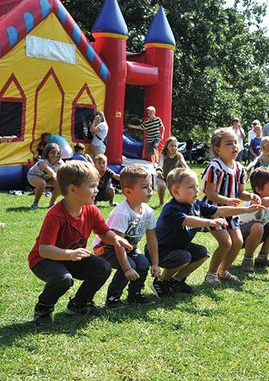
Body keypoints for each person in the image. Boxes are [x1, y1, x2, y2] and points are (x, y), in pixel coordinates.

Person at [29, 161, 132, 327]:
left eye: (97, 185)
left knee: (102, 267)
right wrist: (69, 254)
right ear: (72, 190)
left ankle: (78, 304)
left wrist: (116, 239)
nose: (97, 190)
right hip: (44, 260)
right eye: (92, 186)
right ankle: (43, 309)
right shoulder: (56, 215)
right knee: (63, 278)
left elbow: (104, 232)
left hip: (71, 257)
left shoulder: (91, 210)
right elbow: (44, 250)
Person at [150, 168, 265, 295]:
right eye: (191, 187)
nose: (197, 190)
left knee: (203, 253)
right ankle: (161, 281)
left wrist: (246, 210)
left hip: (180, 247)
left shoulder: (196, 204)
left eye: (197, 186)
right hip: (160, 250)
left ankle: (176, 281)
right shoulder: (171, 208)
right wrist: (210, 222)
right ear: (176, 191)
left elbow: (219, 211)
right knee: (184, 257)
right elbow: (187, 220)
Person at [202, 127, 263, 285]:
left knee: (237, 242)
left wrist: (251, 196)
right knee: (225, 243)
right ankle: (211, 274)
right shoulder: (214, 167)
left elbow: (240, 192)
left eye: (236, 142)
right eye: (229, 143)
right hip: (215, 211)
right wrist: (227, 200)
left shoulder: (239, 168)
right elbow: (210, 194)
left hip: (231, 212)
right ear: (218, 149)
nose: (234, 146)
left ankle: (223, 271)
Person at [92, 165, 159, 309]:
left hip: (128, 248)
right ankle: (113, 298)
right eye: (144, 187)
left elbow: (152, 238)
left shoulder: (148, 211)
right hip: (105, 248)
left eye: (150, 186)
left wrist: (155, 263)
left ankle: (134, 294)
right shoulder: (122, 213)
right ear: (128, 191)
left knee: (143, 263)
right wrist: (128, 268)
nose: (150, 190)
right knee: (130, 266)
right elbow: (117, 243)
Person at [28, 143, 64, 210]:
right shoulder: (42, 161)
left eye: (58, 153)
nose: (56, 155)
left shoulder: (60, 162)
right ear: (48, 153)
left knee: (60, 183)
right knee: (42, 183)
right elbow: (46, 168)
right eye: (53, 152)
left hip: (47, 178)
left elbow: (65, 170)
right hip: (33, 176)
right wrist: (54, 175)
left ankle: (52, 204)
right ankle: (35, 204)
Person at [156, 136, 189, 207]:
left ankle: (178, 203)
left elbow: (185, 165)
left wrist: (190, 172)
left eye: (175, 146)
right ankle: (161, 203)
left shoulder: (178, 155)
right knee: (162, 185)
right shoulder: (163, 155)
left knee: (177, 190)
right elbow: (160, 164)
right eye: (171, 146)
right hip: (162, 176)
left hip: (172, 178)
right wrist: (159, 170)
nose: (173, 147)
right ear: (167, 146)